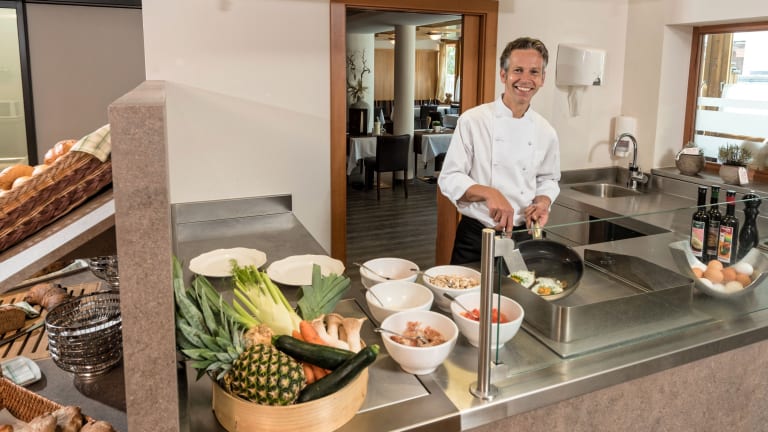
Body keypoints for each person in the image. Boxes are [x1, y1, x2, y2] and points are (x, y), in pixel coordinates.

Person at [437, 37, 561, 264]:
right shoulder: (473, 121)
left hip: (524, 237)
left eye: (534, 72)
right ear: (503, 75)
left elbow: (548, 179)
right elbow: (449, 178)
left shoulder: (546, 131)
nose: (526, 79)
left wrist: (543, 202)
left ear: (542, 79)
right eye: (518, 70)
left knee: (521, 289)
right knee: (467, 288)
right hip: (477, 236)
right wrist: (490, 193)